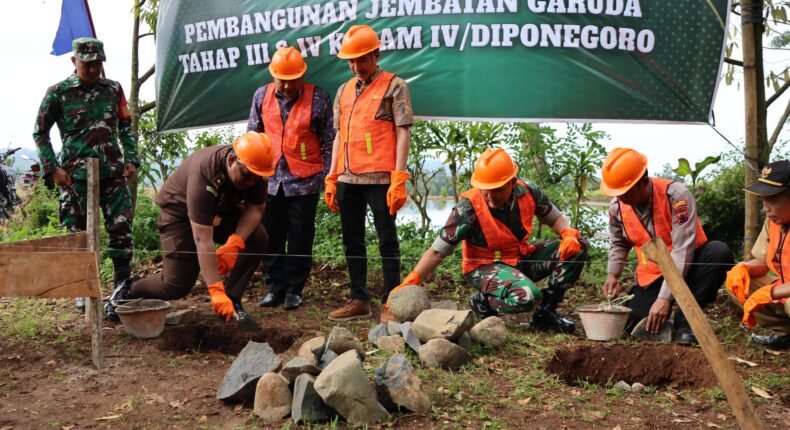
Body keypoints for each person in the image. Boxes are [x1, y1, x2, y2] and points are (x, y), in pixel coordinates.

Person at [389, 148, 588, 333]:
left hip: (519, 258)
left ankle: (546, 313)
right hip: (483, 267)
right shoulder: (467, 209)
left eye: (497, 189)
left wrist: (567, 232)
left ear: (512, 182)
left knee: (577, 247)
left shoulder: (528, 191)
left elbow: (553, 218)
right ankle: (482, 302)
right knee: (527, 297)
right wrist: (413, 279)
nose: (490, 195)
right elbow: (439, 250)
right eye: (485, 188)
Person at [104, 132, 273, 322]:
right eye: (247, 176)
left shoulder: (256, 170)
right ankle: (127, 290)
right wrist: (215, 289)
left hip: (219, 211)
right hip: (179, 215)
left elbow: (256, 209)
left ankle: (232, 300)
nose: (251, 183)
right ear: (233, 160)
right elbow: (203, 237)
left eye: (256, 179)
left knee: (257, 237)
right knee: (176, 285)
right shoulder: (206, 171)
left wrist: (236, 242)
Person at [32, 37, 138, 313]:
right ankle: (81, 288)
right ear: (74, 61)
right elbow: (40, 132)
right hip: (74, 176)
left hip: (113, 174)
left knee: (121, 230)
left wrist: (131, 159)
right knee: (77, 233)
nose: (93, 69)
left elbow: (126, 126)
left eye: (98, 63)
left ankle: (121, 289)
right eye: (88, 64)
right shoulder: (58, 93)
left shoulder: (113, 89)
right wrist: (51, 168)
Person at [323, 25, 413, 322]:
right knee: (352, 239)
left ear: (376, 54)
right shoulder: (343, 90)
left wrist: (399, 176)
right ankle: (358, 299)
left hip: (380, 178)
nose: (356, 66)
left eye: (362, 59)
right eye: (351, 60)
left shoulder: (395, 86)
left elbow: (402, 132)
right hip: (349, 177)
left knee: (387, 238)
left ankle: (391, 301)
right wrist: (332, 175)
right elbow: (338, 136)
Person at [600, 148, 733, 345]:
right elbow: (619, 243)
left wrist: (664, 299)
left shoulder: (677, 196)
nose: (620, 198)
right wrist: (613, 275)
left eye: (624, 193)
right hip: (653, 275)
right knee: (633, 324)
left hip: (690, 266)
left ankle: (686, 322)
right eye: (617, 193)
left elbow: (682, 250)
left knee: (719, 253)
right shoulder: (617, 208)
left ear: (643, 183)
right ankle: (653, 304)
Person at [247, 46, 335, 310]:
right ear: (273, 75)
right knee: (271, 234)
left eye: (292, 79)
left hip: (305, 180)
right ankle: (275, 287)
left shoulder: (319, 97)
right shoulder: (261, 95)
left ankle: (295, 290)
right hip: (270, 179)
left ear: (302, 75)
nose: (286, 85)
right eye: (281, 79)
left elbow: (328, 140)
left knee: (300, 236)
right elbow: (253, 134)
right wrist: (251, 175)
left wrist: (329, 176)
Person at [725, 160, 790, 349]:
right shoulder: (773, 223)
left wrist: (769, 293)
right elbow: (763, 260)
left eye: (773, 199)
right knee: (741, 282)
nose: (765, 208)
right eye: (763, 199)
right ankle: (786, 333)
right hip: (785, 287)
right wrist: (743, 268)